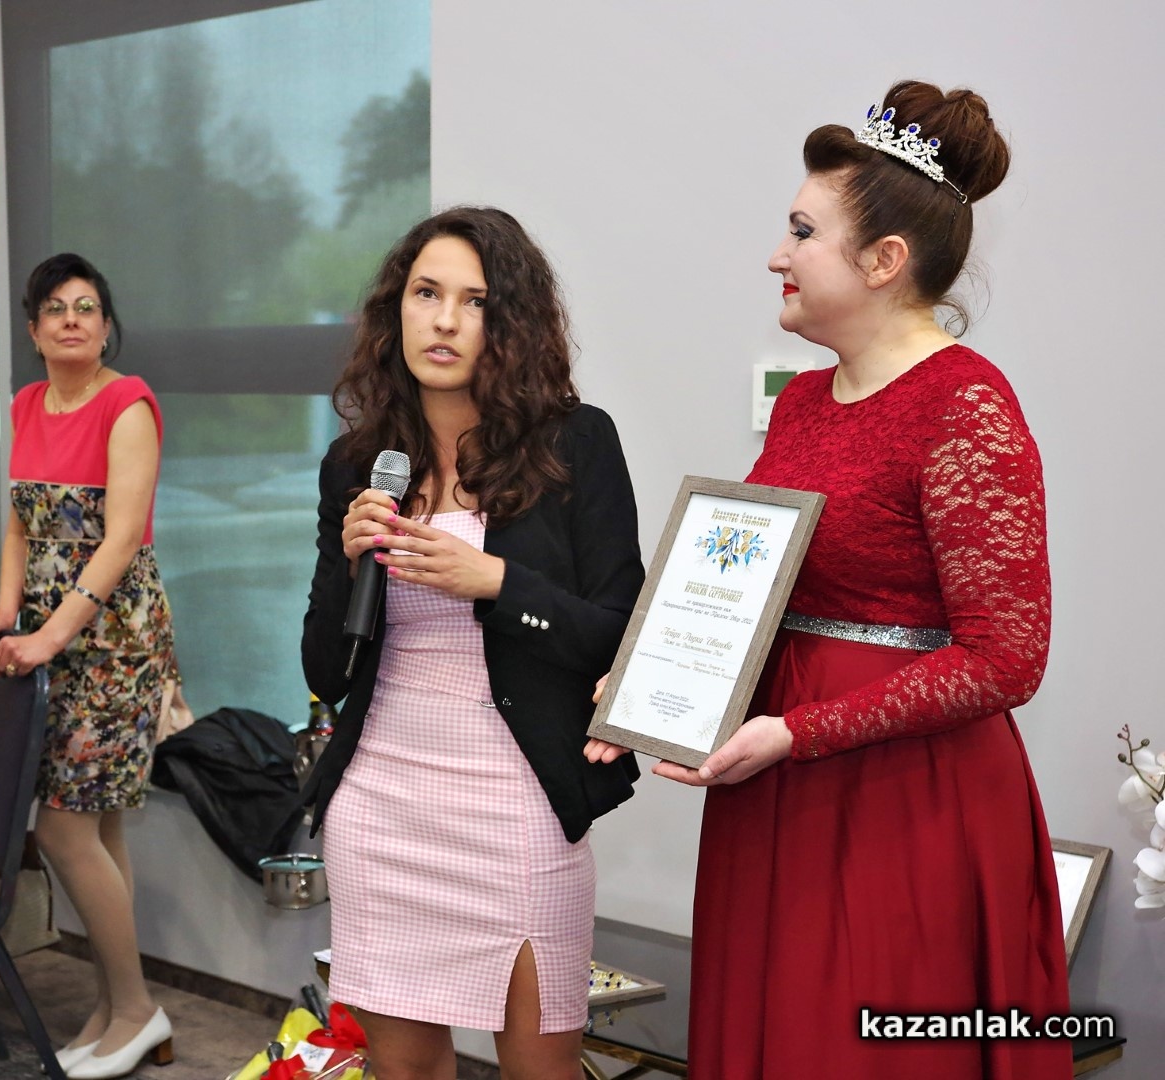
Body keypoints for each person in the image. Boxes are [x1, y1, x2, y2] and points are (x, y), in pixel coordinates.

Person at [587, 80, 1069, 1078]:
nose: (777, 255)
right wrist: (649, 682)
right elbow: (758, 591)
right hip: (777, 782)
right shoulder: (803, 402)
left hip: (902, 797)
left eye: (802, 233)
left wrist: (800, 731)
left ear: (884, 261)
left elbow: (1007, 659)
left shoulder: (965, 406)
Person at [301, 206, 645, 1080]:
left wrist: (494, 582)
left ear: (511, 322)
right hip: (381, 804)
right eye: (426, 294)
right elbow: (324, 672)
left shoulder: (576, 444)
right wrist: (350, 564)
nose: (445, 320)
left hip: (519, 803)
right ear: (397, 310)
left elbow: (619, 633)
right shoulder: (356, 464)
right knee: (404, 1071)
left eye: (474, 300)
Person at [0, 253, 176, 1080]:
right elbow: (20, 525)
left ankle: (139, 1009)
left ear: (106, 326)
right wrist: (6, 614)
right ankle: (117, 1006)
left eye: (88, 307)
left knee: (61, 826)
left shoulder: (129, 404)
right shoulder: (26, 403)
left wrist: (50, 638)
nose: (73, 320)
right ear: (34, 329)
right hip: (51, 632)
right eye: (56, 308)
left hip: (116, 641)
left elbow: (119, 542)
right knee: (101, 825)